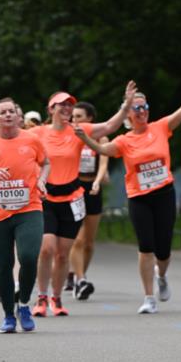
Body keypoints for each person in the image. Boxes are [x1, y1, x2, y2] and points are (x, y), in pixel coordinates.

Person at [77, 70, 181, 313]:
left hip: (164, 194)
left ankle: (162, 276)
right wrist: (86, 140)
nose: (142, 111)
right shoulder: (124, 140)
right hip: (139, 198)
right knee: (146, 246)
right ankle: (148, 298)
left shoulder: (160, 128)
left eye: (144, 106)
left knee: (163, 249)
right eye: (136, 108)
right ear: (129, 115)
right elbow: (104, 150)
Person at [32, 81, 136, 317]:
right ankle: (41, 298)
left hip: (71, 198)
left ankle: (56, 299)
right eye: (62, 105)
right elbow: (10, 140)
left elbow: (111, 125)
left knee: (62, 253)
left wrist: (126, 104)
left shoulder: (80, 131)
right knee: (46, 249)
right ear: (51, 109)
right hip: (46, 197)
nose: (67, 109)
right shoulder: (38, 133)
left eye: (70, 105)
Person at [0, 96, 50, 333]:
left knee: (27, 256)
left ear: (18, 116)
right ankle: (8, 315)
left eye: (11, 111)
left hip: (29, 209)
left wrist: (43, 181)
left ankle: (24, 304)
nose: (7, 115)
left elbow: (46, 163)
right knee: (4, 265)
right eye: (2, 112)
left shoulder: (32, 140)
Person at [65, 101, 110, 299]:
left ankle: (79, 274)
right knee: (78, 239)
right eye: (73, 117)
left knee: (89, 243)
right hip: (75, 188)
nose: (74, 120)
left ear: (90, 119)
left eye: (79, 117)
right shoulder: (68, 137)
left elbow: (103, 163)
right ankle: (79, 280)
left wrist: (98, 181)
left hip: (93, 189)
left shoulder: (100, 138)